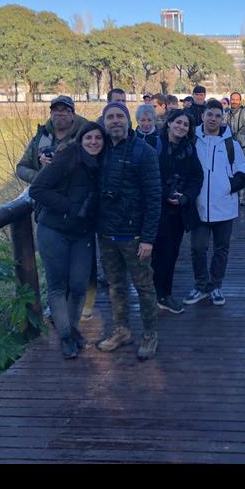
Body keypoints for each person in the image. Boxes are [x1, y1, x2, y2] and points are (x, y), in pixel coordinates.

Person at [29, 121, 105, 358]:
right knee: (58, 286)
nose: (93, 142)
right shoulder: (67, 158)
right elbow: (37, 189)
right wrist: (69, 207)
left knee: (80, 286)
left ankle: (71, 329)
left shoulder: (101, 164)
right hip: (54, 230)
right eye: (88, 138)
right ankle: (65, 337)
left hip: (82, 233)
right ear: (80, 140)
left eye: (98, 138)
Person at [95, 101, 162, 359]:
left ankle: (150, 334)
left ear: (128, 121)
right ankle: (121, 329)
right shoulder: (99, 150)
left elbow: (154, 198)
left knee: (144, 286)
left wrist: (148, 238)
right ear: (104, 122)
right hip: (106, 233)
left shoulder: (143, 152)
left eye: (119, 116)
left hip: (134, 235)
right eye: (110, 117)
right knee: (116, 285)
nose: (115, 121)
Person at [185, 99, 245, 306]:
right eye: (209, 114)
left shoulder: (231, 144)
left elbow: (243, 173)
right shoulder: (191, 141)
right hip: (198, 206)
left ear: (223, 118)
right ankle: (201, 285)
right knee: (198, 248)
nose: (213, 119)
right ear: (202, 116)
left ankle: (215, 286)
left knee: (221, 249)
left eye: (217, 115)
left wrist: (227, 187)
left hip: (224, 207)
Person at [151, 109, 204, 312]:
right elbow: (149, 175)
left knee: (170, 253)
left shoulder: (189, 148)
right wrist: (167, 193)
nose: (181, 127)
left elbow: (197, 177)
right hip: (156, 208)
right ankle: (154, 294)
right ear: (169, 123)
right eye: (178, 122)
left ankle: (164, 294)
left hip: (178, 210)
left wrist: (186, 196)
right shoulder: (155, 144)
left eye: (186, 124)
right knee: (154, 254)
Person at [17, 96, 90, 184]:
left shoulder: (87, 137)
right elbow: (21, 167)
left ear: (73, 115)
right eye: (55, 110)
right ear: (51, 114)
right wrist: (40, 177)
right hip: (44, 188)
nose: (59, 113)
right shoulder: (40, 137)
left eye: (64, 110)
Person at [224, 91, 245, 205]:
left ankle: (244, 198)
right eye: (233, 99)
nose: (234, 101)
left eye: (237, 99)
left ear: (240, 101)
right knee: (231, 172)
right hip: (230, 147)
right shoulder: (226, 114)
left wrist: (243, 135)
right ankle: (234, 195)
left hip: (243, 147)